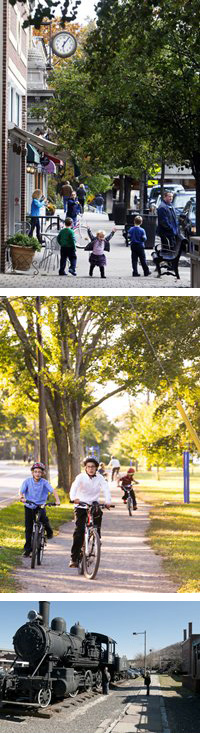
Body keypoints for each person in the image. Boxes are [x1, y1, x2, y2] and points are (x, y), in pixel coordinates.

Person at [69, 456, 111, 568]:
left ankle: (97, 537)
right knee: (79, 531)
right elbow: (74, 487)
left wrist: (107, 501)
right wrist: (73, 498)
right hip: (81, 504)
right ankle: (74, 558)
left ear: (96, 468)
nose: (91, 469)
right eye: (88, 467)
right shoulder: (80, 477)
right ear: (85, 468)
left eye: (93, 467)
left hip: (93, 504)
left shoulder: (100, 478)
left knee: (98, 515)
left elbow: (106, 489)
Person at [19, 462, 60, 557]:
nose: (37, 473)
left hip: (40, 505)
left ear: (42, 473)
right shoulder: (27, 481)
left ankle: (49, 532)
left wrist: (57, 500)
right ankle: (27, 550)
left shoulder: (44, 482)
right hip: (29, 505)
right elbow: (21, 491)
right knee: (28, 528)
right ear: (32, 473)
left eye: (39, 472)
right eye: (35, 472)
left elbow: (53, 490)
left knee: (44, 520)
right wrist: (21, 497)